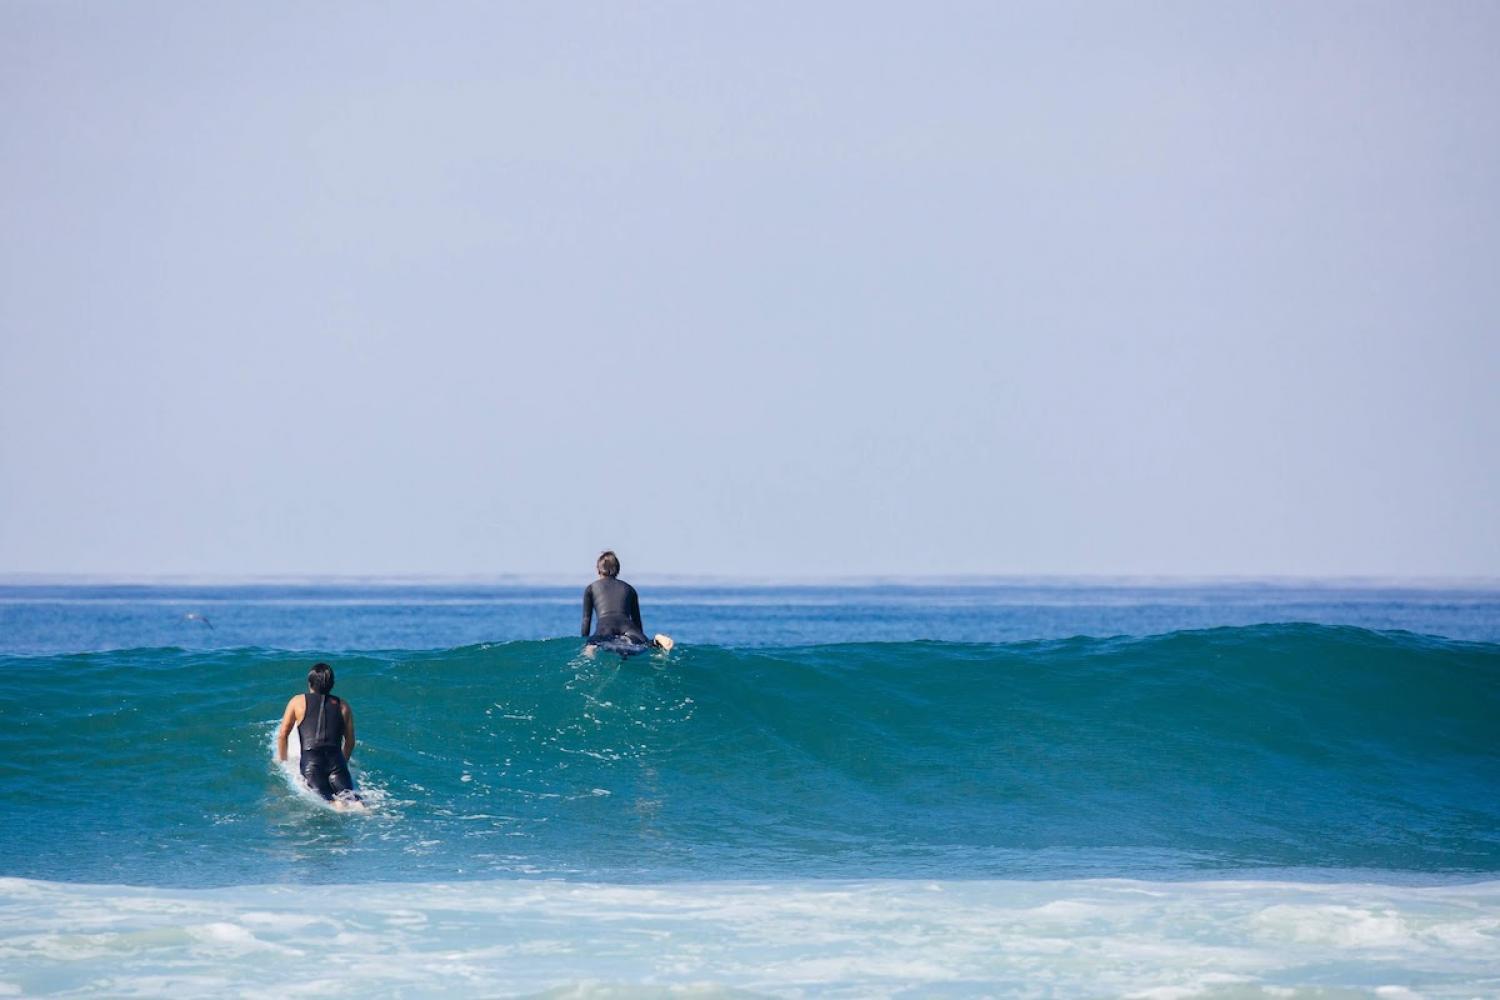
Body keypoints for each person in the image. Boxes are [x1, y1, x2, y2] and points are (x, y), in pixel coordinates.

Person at [276, 662, 364, 809]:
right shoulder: (343, 706)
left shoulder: (297, 701)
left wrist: (283, 764)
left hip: (312, 763)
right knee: (354, 801)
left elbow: (282, 735)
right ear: (332, 684)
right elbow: (350, 742)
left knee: (328, 801)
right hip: (337, 762)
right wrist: (343, 763)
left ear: (309, 683)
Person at [581, 550, 674, 652]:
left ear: (598, 570)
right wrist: (640, 637)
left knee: (592, 644)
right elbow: (637, 621)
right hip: (629, 627)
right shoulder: (630, 589)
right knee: (645, 644)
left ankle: (589, 655)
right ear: (618, 570)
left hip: (605, 627)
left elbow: (586, 620)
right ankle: (656, 640)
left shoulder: (591, 588)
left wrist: (584, 640)